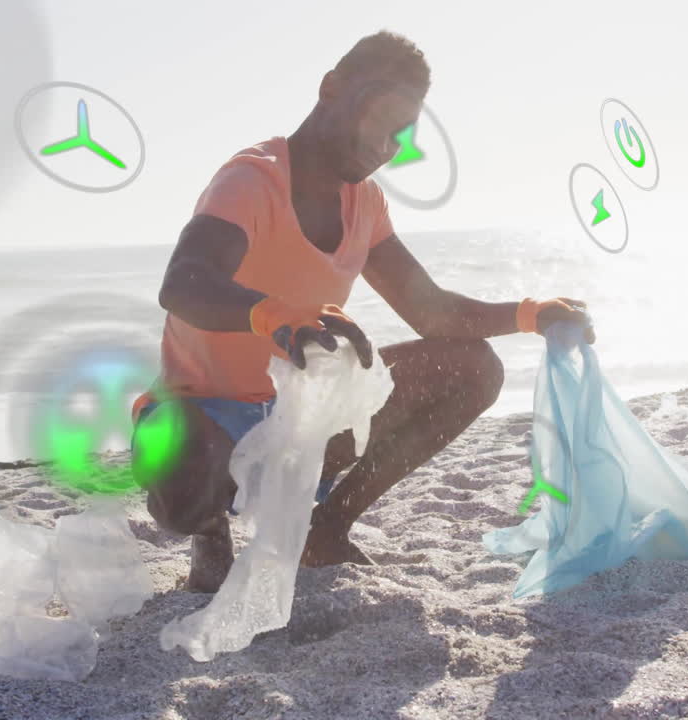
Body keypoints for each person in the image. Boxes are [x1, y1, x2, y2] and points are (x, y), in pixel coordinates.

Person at [130, 30, 595, 593]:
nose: (386, 146)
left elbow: (435, 315)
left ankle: (326, 529)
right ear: (331, 89)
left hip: (297, 417)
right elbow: (185, 282)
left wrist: (530, 314)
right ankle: (210, 535)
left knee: (474, 367)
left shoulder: (365, 204)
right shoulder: (251, 180)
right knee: (182, 482)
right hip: (199, 415)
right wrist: (273, 315)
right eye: (381, 120)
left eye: (402, 134)